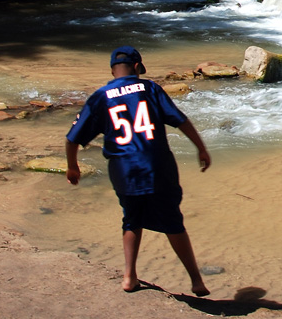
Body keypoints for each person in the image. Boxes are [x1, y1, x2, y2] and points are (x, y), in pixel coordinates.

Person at [65, 45, 212, 296]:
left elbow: (72, 138)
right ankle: (197, 280)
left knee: (131, 219)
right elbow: (180, 120)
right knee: (172, 221)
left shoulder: (101, 96)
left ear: (113, 70)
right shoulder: (150, 88)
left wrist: (72, 166)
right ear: (137, 67)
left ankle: (129, 276)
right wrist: (201, 148)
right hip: (157, 165)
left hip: (123, 169)